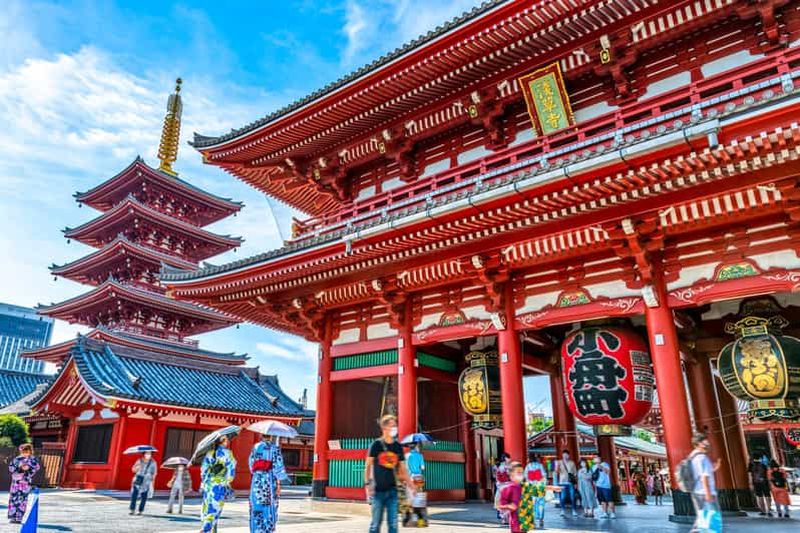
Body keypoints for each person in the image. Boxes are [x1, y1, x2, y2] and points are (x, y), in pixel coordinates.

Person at [364, 414, 411, 533]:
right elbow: (368, 466)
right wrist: (367, 485)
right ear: (384, 428)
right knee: (375, 525)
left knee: (393, 525)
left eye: (396, 426)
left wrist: (412, 486)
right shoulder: (376, 445)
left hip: (393, 491)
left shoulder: (397, 446)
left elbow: (403, 469)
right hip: (377, 491)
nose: (395, 428)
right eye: (392, 426)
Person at [249, 433, 288, 533]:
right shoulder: (275, 448)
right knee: (269, 505)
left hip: (257, 481)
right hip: (269, 480)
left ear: (261, 435)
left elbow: (251, 465)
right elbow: (278, 468)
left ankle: (256, 529)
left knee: (256, 506)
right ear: (271, 436)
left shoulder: (256, 447)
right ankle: (268, 529)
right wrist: (279, 484)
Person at [200, 434, 236, 533]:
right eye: (226, 440)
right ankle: (206, 527)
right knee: (216, 507)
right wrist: (228, 480)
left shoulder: (210, 453)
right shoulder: (228, 453)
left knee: (207, 505)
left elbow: (203, 469)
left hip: (209, 483)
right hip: (220, 483)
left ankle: (209, 527)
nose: (227, 442)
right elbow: (231, 469)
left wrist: (204, 480)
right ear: (223, 442)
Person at [689, 433, 721, 533]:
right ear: (699, 443)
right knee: (712, 522)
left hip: (697, 492)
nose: (707, 443)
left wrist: (715, 467)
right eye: (705, 441)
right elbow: (704, 477)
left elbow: (702, 473)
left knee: (703, 520)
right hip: (705, 492)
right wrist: (708, 494)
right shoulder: (702, 457)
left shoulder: (693, 456)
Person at [7, 443, 41, 524]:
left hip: (25, 483)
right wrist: (19, 467)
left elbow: (36, 467)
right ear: (21, 451)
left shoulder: (32, 460)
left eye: (27, 451)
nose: (25, 453)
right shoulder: (17, 459)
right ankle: (12, 517)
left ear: (30, 451)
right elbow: (11, 468)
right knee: (14, 499)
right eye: (23, 451)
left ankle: (19, 518)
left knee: (22, 500)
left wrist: (29, 468)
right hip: (16, 483)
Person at [403, 443, 427, 527]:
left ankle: (409, 518)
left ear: (409, 448)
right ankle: (420, 520)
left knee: (410, 497)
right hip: (419, 477)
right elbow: (423, 467)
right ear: (415, 447)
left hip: (410, 477)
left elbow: (405, 468)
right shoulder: (420, 455)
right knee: (418, 498)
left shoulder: (407, 456)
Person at [497, 462, 525, 533]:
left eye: (522, 473)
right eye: (518, 473)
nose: (521, 475)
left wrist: (550, 488)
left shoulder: (525, 486)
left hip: (525, 521)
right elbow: (500, 505)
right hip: (515, 522)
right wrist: (509, 506)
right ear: (511, 475)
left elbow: (536, 489)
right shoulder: (508, 488)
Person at [522, 453, 547, 529]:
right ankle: (541, 519)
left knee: (533, 504)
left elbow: (525, 476)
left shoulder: (528, 466)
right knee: (541, 503)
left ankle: (533, 521)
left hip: (531, 486)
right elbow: (544, 475)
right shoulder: (540, 465)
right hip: (540, 486)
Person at [129, 451, 157, 516]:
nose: (148, 455)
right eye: (147, 453)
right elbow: (133, 469)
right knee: (134, 495)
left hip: (146, 481)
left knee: (144, 496)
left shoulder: (153, 462)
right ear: (144, 454)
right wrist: (137, 467)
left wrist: (152, 481)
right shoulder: (139, 461)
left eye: (149, 453)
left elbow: (154, 473)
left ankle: (140, 510)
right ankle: (132, 509)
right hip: (138, 479)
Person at [556, 449, 578, 518]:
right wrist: (557, 466)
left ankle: (574, 510)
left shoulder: (572, 463)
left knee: (572, 497)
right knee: (563, 497)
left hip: (570, 482)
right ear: (562, 455)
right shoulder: (559, 462)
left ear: (568, 455)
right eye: (564, 455)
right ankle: (562, 510)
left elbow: (575, 473)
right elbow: (557, 472)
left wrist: (576, 483)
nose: (565, 456)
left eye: (566, 455)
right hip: (562, 482)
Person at [494, 453, 512, 524]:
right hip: (505, 485)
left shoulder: (503, 466)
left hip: (502, 486)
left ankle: (505, 519)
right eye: (508, 458)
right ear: (505, 458)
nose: (510, 459)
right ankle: (505, 518)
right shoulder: (504, 466)